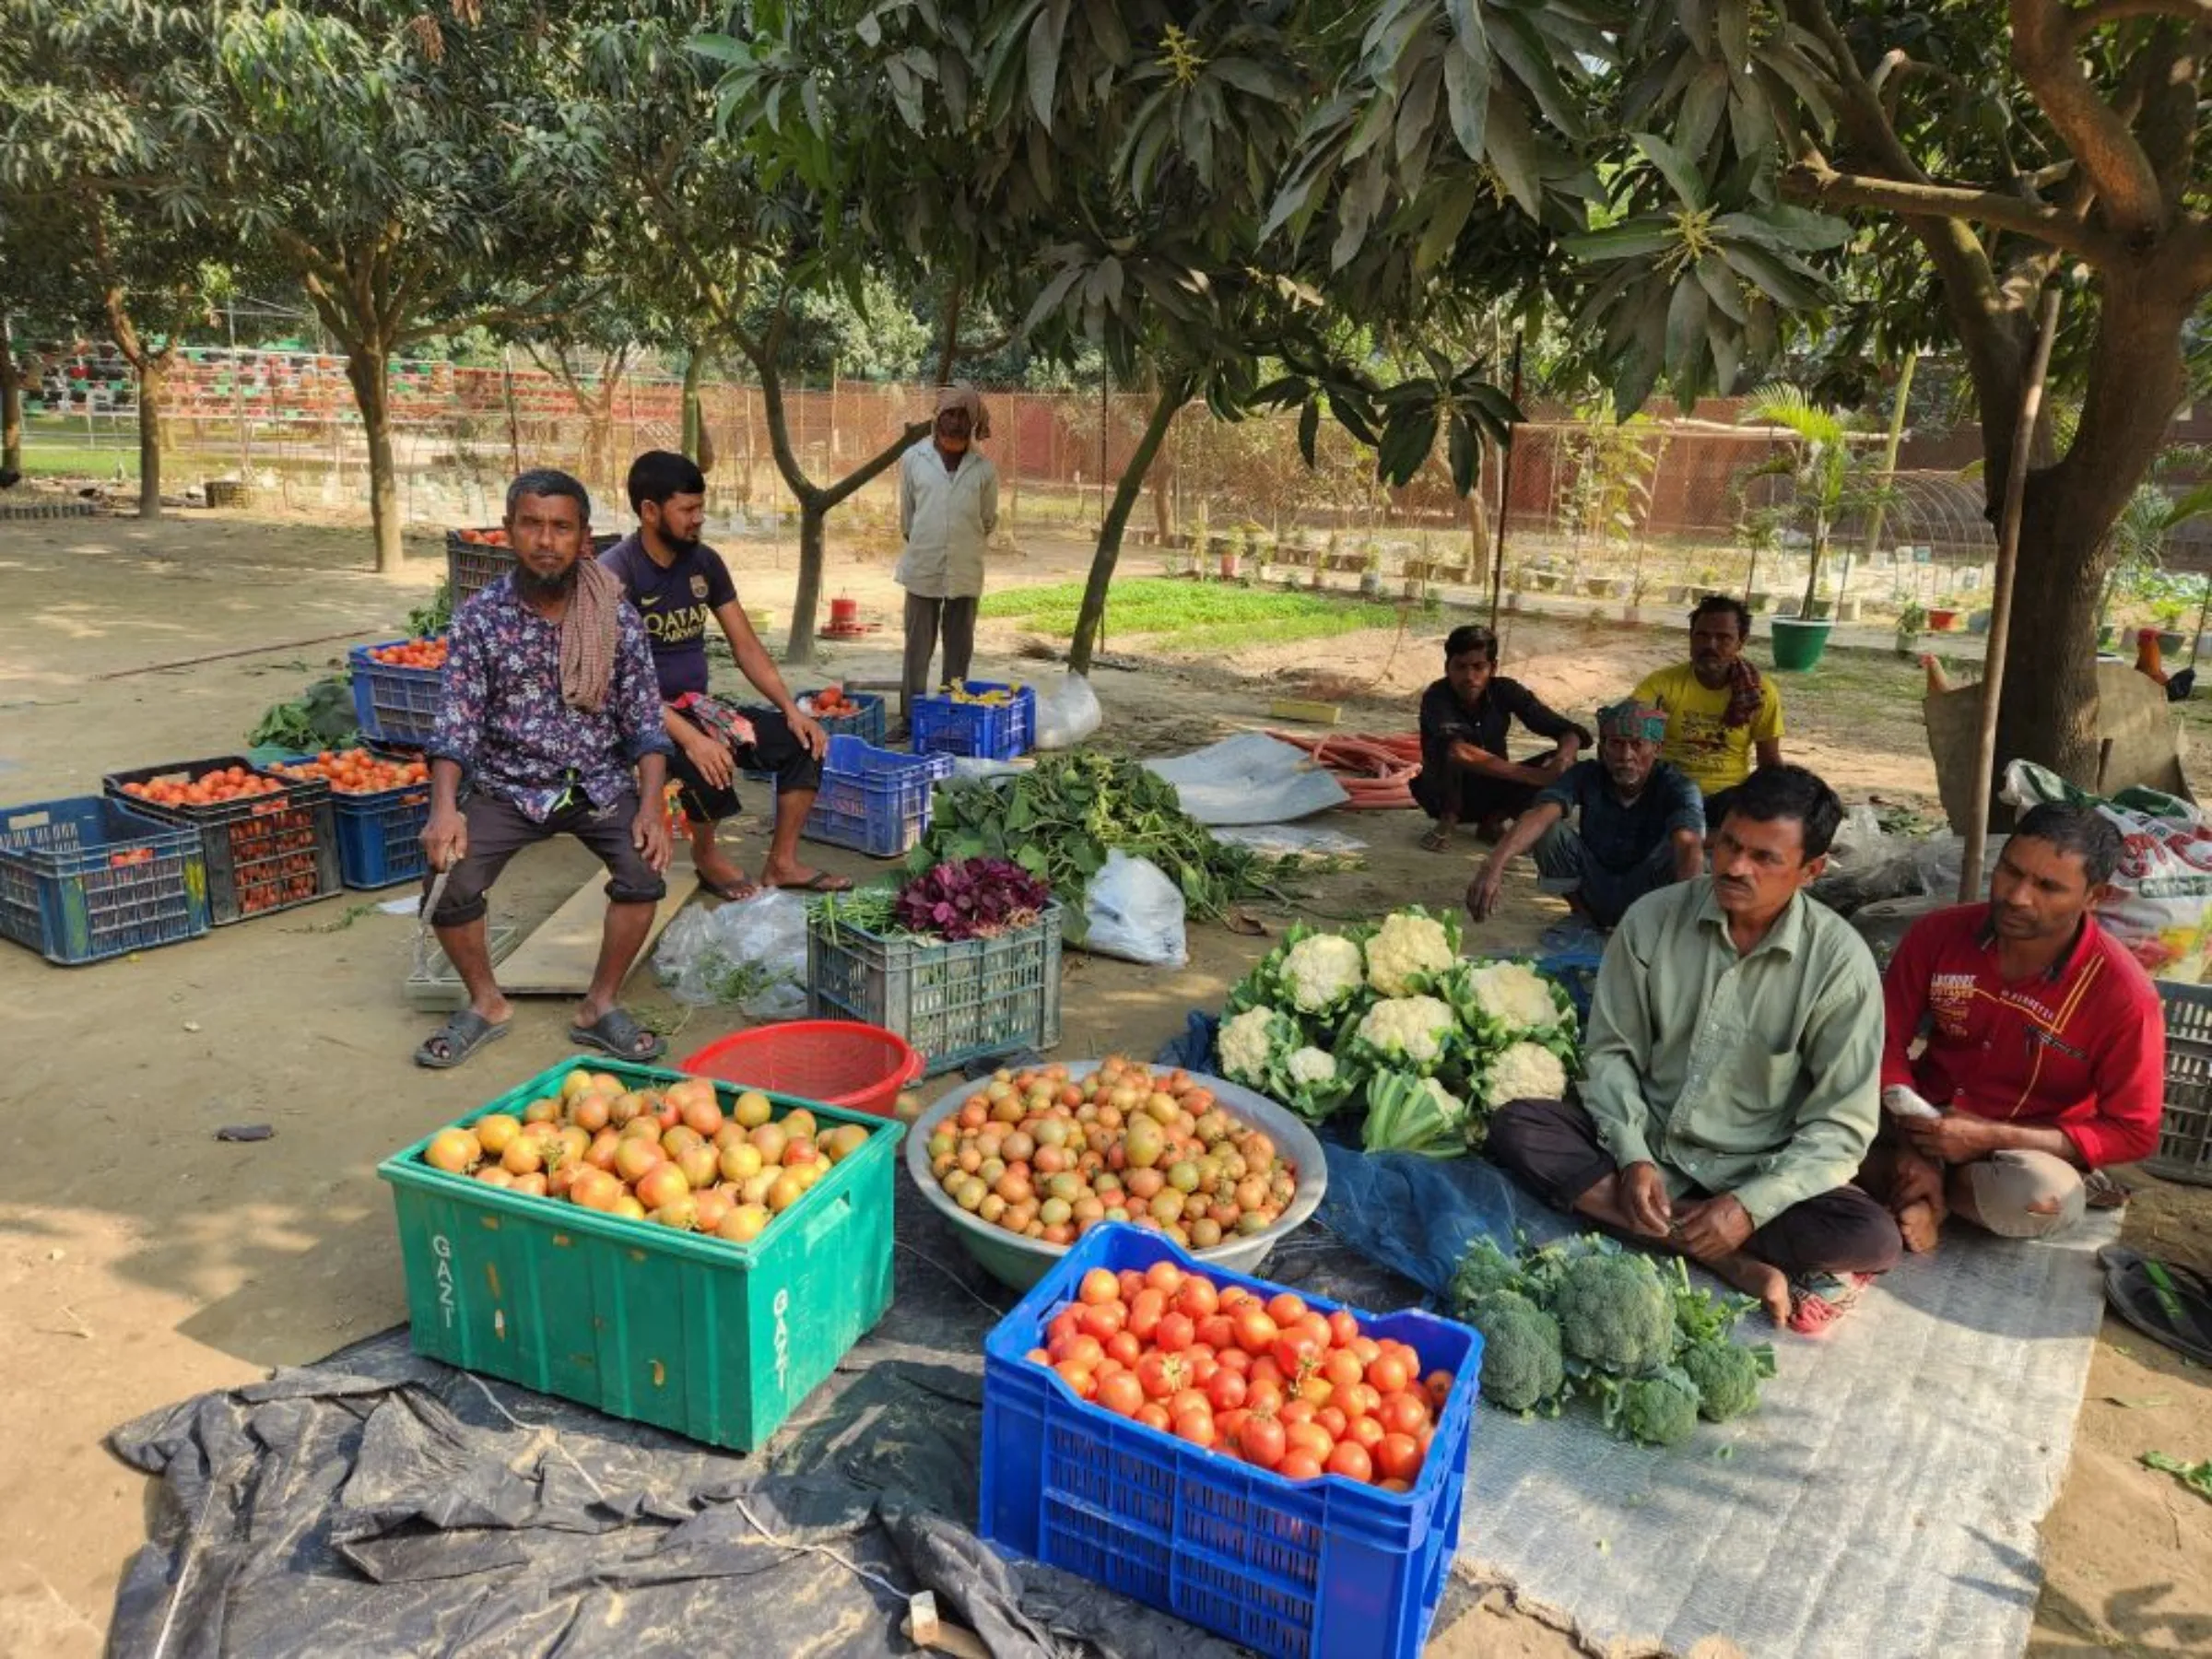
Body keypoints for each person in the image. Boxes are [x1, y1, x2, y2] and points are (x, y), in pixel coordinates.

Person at [1486, 765, 1902, 1332]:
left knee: (1872, 1238)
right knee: (1518, 1126)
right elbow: (1611, 1054)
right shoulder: (1653, 920)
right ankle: (1727, 1260)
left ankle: (1665, 1226)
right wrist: (1632, 1154)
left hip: (1754, 1169)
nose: (1733, 867)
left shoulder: (1839, 966)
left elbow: (1842, 1127)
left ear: (1811, 871)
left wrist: (1749, 1205)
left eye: (1764, 858)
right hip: (1646, 1152)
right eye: (1728, 843)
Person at [414, 468, 675, 1069]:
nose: (546, 540)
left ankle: (599, 1005)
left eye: (561, 527)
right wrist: (445, 808)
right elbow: (456, 722)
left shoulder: (615, 615)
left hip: (597, 782)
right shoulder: (481, 620)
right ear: (509, 532)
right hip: (507, 785)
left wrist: (653, 807)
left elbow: (644, 724)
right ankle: (486, 1004)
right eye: (531, 524)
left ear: (585, 537)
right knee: (447, 877)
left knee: (644, 866)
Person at [1860, 804, 2164, 1253]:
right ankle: (1920, 1179)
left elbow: (2134, 1131)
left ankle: (1922, 1188)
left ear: (2094, 897)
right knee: (1799, 1107)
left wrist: (1992, 1137)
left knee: (2044, 1200)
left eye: (2048, 887)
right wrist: (1913, 1143)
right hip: (1915, 1116)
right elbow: (1881, 1041)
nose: (2017, 896)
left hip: (2021, 1149)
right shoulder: (1937, 935)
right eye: (2011, 871)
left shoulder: (2124, 997)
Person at [600, 450, 849, 899]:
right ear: (650, 511)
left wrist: (791, 709)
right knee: (706, 760)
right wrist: (692, 738)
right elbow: (615, 685)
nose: (699, 519)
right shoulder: (616, 573)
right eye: (688, 510)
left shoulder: (704, 563)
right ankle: (706, 855)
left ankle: (782, 863)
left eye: (701, 507)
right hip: (633, 718)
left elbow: (747, 647)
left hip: (696, 708)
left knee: (801, 742)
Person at [1465, 700, 1704, 931]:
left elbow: (1688, 846)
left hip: (1649, 894)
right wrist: (1494, 864)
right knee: (1547, 829)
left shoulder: (1678, 786)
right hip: (1594, 886)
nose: (1626, 755)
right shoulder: (1586, 775)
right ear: (1602, 750)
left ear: (1657, 748)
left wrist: (1687, 919)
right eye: (1616, 744)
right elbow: (1540, 814)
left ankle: (1658, 926)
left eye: (1637, 744)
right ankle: (1583, 917)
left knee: (1687, 851)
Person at [1414, 625, 1592, 852]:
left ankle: (1493, 821)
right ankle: (1448, 819)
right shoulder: (1436, 696)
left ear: (1493, 667)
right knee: (1451, 752)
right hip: (1442, 792)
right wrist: (1530, 776)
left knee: (1567, 766)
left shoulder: (1506, 690)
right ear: (1447, 667)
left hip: (1495, 785)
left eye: (1478, 667)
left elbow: (1569, 731)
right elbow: (1457, 751)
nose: (1469, 677)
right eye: (1460, 667)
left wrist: (1563, 761)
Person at [895, 384, 999, 730]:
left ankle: (950, 717)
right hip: (922, 567)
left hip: (965, 571)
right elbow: (908, 518)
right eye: (949, 414)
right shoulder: (913, 459)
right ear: (937, 418)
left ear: (973, 423)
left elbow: (986, 520)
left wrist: (958, 544)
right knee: (917, 649)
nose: (954, 423)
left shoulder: (984, 470)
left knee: (958, 650)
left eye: (962, 416)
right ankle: (911, 719)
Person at [1632, 596, 1783, 818]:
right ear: (1690, 637)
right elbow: (1628, 725)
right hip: (1668, 790)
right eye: (1702, 635)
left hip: (1728, 797)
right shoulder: (1662, 684)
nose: (1710, 645)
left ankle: (1699, 839)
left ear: (1741, 642)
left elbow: (1769, 761)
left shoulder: (1760, 693)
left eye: (1723, 638)